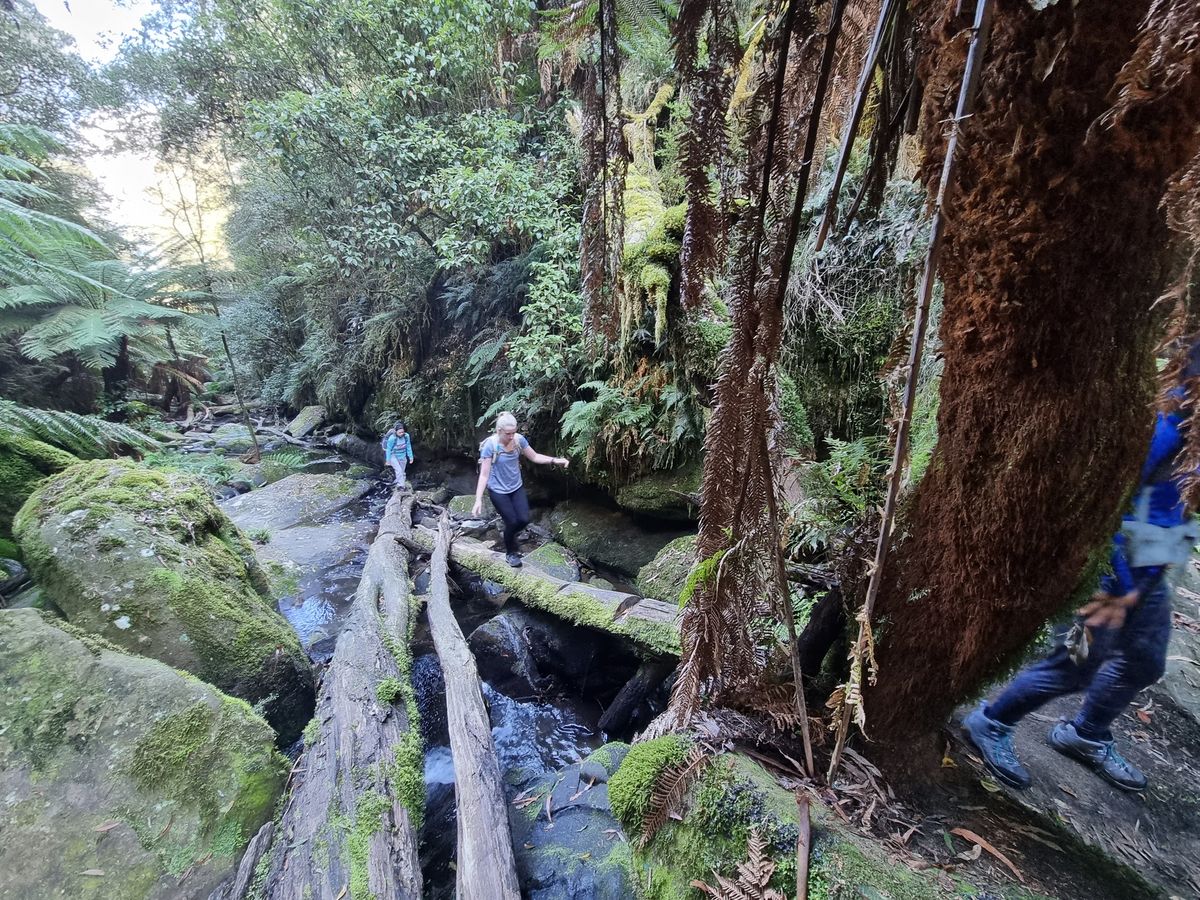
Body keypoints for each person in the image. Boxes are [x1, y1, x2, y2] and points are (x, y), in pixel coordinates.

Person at [965, 400, 1197, 792]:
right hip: (1107, 578)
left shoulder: (1192, 439)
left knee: (1145, 662)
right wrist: (1116, 588)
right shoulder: (1164, 432)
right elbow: (1105, 505)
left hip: (1147, 579)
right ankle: (991, 721)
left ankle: (1086, 735)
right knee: (1074, 664)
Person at [471, 412, 569, 567]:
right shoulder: (490, 446)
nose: (511, 436)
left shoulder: (519, 441)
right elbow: (484, 475)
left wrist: (555, 460)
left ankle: (509, 536)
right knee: (511, 521)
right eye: (508, 434)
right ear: (499, 431)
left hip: (516, 487)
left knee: (523, 520)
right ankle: (511, 553)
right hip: (497, 491)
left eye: (513, 432)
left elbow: (535, 457)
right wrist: (478, 500)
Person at [383, 421, 414, 489]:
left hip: (402, 455)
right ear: (396, 432)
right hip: (393, 455)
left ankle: (398, 481)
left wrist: (411, 457)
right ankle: (401, 486)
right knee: (399, 471)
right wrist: (388, 460)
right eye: (399, 432)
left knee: (402, 471)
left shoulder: (406, 436)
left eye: (402, 432)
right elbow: (388, 449)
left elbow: (408, 446)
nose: (401, 434)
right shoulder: (392, 438)